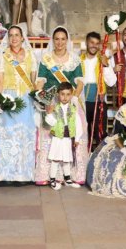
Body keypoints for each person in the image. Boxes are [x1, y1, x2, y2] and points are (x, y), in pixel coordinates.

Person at [34, 26, 89, 185]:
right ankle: (45, 174)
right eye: (56, 39)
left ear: (67, 41)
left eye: (62, 39)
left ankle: (74, 174)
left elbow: (79, 82)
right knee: (50, 135)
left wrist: (74, 98)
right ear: (53, 40)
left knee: (72, 134)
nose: (59, 42)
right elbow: (40, 82)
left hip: (70, 100)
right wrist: (43, 101)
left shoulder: (74, 59)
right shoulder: (46, 59)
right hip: (52, 101)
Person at [0, 24, 38, 183]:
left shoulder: (30, 55)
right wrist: (0, 100)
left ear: (23, 38)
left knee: (25, 134)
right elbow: (0, 79)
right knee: (8, 134)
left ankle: (24, 174)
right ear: (8, 38)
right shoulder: (4, 56)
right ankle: (6, 173)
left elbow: (34, 79)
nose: (14, 38)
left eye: (17, 35)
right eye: (11, 35)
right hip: (9, 98)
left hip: (26, 99)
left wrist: (37, 97)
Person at [44, 82, 83, 190]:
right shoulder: (55, 108)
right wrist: (49, 113)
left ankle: (68, 179)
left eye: (67, 94)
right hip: (57, 137)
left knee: (67, 158)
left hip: (68, 137)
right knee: (55, 159)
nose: (65, 97)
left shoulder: (74, 109)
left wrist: (77, 138)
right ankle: (52, 179)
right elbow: (50, 123)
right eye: (62, 94)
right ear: (58, 94)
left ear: (71, 95)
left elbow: (78, 124)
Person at [81, 31, 116, 147]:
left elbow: (112, 82)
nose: (94, 46)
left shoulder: (103, 60)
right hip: (82, 102)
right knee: (83, 133)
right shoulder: (79, 59)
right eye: (91, 42)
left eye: (97, 43)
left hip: (99, 101)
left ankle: (99, 160)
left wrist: (106, 66)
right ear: (86, 42)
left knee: (100, 134)